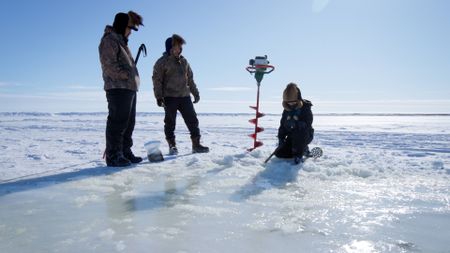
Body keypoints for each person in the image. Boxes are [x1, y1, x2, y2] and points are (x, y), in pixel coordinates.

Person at [99, 11, 144, 167]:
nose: (131, 31)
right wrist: (126, 75)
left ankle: (125, 151)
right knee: (117, 122)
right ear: (122, 26)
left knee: (128, 123)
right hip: (117, 88)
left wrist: (131, 78)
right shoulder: (109, 41)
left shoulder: (122, 42)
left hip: (129, 88)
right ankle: (113, 155)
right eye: (129, 28)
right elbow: (108, 65)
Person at [152, 34, 209, 155]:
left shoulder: (184, 61)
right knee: (170, 122)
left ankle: (196, 145)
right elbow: (157, 80)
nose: (179, 49)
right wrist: (158, 96)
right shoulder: (162, 62)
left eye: (180, 46)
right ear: (170, 48)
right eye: (177, 46)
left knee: (193, 120)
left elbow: (190, 79)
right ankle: (172, 146)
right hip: (169, 97)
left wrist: (195, 93)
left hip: (184, 96)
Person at [275, 83, 314, 164]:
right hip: (291, 137)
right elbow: (282, 125)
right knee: (280, 154)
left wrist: (297, 123)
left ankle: (300, 153)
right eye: (288, 102)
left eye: (293, 102)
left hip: (304, 135)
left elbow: (308, 124)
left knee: (299, 133)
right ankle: (301, 150)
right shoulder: (286, 110)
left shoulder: (305, 108)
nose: (291, 104)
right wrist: (281, 138)